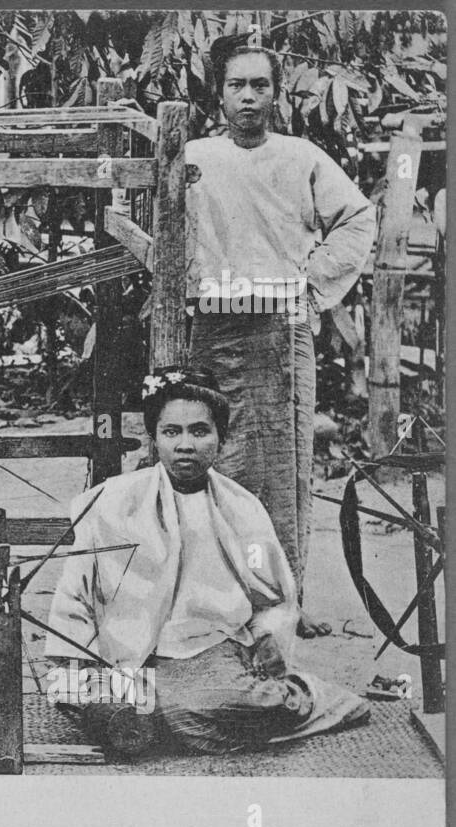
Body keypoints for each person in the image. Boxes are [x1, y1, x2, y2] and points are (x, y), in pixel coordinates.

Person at [46, 367, 370, 755]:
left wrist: (266, 641)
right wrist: (75, 666)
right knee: (86, 696)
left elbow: (275, 599)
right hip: (123, 651)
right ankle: (159, 714)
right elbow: (74, 594)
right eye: (172, 432)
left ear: (221, 438)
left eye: (200, 431)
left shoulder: (242, 510)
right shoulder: (113, 503)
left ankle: (305, 696)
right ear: (154, 438)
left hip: (207, 651)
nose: (186, 445)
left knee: (210, 705)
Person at [186, 36, 376, 637]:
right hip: (209, 329)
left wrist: (308, 283)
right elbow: (155, 227)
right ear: (218, 93)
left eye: (260, 85)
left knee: (283, 469)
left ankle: (284, 600)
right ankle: (216, 601)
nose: (248, 97)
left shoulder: (302, 158)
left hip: (282, 332)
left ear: (276, 94)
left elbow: (356, 218)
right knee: (214, 463)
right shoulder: (192, 157)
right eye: (237, 85)